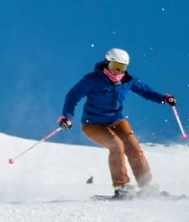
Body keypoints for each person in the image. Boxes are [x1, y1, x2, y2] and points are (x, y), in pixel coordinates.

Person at [59, 47, 176, 198]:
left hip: (117, 121)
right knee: (116, 145)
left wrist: (164, 99)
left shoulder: (128, 81)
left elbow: (146, 92)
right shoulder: (92, 80)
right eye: (115, 67)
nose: (117, 72)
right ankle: (122, 187)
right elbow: (73, 96)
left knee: (134, 148)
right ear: (106, 63)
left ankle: (147, 187)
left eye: (122, 68)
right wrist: (67, 116)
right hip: (93, 125)